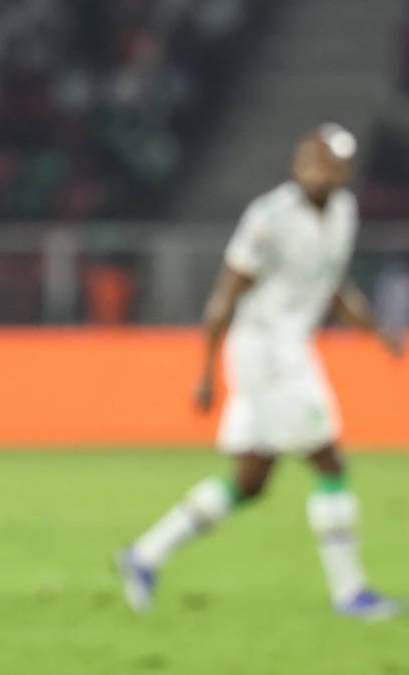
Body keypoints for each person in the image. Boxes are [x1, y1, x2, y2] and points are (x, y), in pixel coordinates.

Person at [117, 124, 404, 619]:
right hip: (264, 350)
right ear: (297, 163)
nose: (318, 169)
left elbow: (331, 286)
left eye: (330, 162)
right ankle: (350, 592)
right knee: (330, 464)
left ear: (345, 171)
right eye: (311, 159)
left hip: (291, 347)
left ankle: (144, 555)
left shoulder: (343, 213)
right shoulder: (269, 217)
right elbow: (226, 293)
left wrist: (376, 331)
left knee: (251, 480)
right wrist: (206, 371)